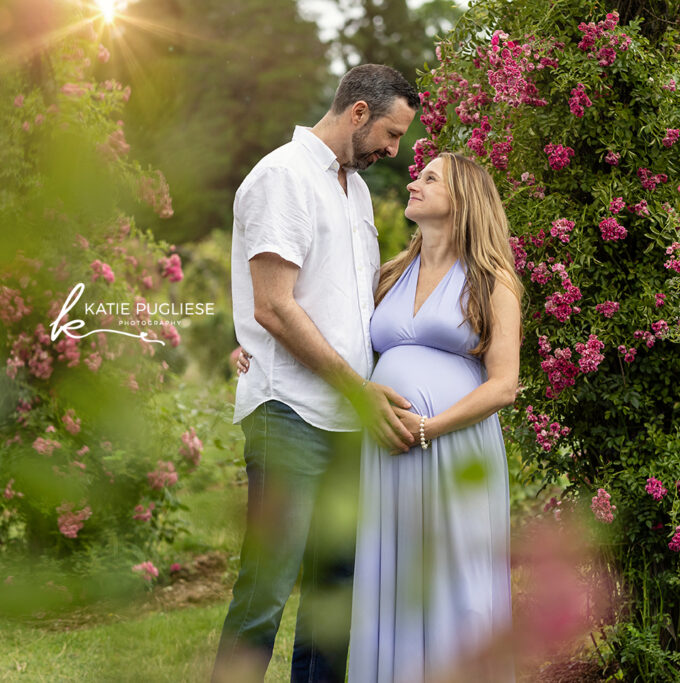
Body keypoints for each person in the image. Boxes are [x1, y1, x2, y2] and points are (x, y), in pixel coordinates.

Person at [239, 152, 524, 681]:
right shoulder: (389, 273)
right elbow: (325, 323)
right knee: (388, 574)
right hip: (385, 451)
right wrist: (250, 345)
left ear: (462, 201)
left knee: (453, 575)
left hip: (450, 445)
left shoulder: (492, 282)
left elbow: (504, 385)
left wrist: (427, 428)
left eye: (429, 178)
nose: (413, 181)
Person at [213, 64, 419, 683]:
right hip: (290, 413)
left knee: (336, 593)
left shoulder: (353, 189)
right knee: (266, 588)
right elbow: (274, 304)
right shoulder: (282, 176)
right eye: (390, 132)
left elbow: (344, 301)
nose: (394, 149)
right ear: (358, 113)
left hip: (344, 421)